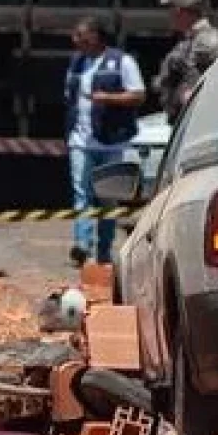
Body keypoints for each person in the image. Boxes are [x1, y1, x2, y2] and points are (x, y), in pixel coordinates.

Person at [65, 16, 146, 267]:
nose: (75, 40)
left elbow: (138, 95)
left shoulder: (122, 61)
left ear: (95, 36)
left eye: (80, 35)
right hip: (81, 141)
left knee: (107, 197)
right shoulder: (77, 63)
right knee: (81, 194)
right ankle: (82, 246)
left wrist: (108, 98)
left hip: (111, 143)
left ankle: (103, 250)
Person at [154, 0, 218, 126]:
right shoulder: (190, 40)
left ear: (180, 11)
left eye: (171, 9)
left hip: (197, 124)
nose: (169, 15)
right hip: (183, 122)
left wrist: (196, 95)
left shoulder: (208, 41)